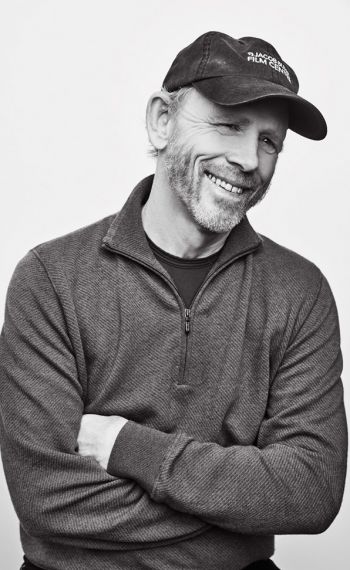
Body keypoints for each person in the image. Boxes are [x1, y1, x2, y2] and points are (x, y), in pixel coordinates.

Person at [0, 31, 347, 570]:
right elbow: (45, 499)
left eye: (269, 141)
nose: (248, 159)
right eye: (229, 125)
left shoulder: (300, 294)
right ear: (162, 120)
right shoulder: (49, 280)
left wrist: (126, 447)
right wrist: (239, 511)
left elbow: (312, 489)